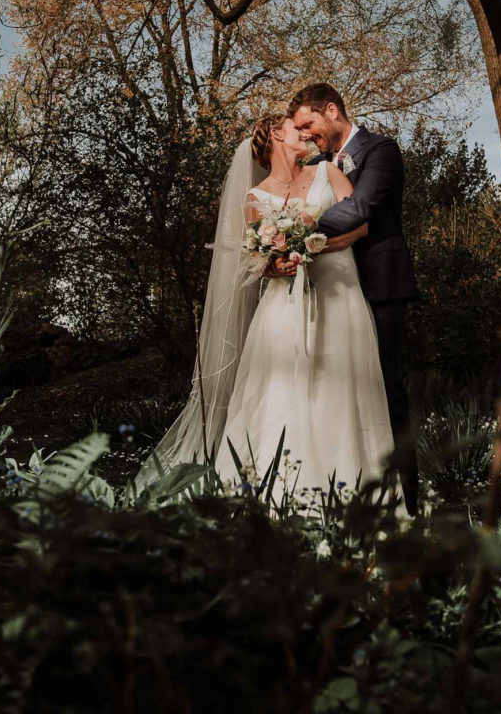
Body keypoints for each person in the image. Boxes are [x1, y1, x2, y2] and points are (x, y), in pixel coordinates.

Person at [135, 111, 404, 513]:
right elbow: (259, 261)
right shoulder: (256, 198)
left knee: (343, 387)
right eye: (297, 128)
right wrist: (277, 262)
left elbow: (361, 227)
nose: (306, 133)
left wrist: (309, 245)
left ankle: (355, 496)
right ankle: (278, 498)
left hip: (340, 294)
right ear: (278, 134)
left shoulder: (329, 172)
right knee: (286, 392)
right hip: (282, 307)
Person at [287, 84, 419, 515]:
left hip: (380, 285)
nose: (305, 134)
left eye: (308, 124)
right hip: (337, 289)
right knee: (341, 390)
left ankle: (408, 497)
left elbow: (361, 207)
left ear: (331, 110)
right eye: (300, 129)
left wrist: (294, 227)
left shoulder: (381, 150)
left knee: (385, 388)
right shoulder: (321, 165)